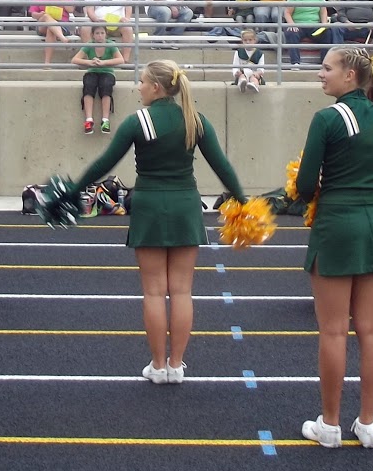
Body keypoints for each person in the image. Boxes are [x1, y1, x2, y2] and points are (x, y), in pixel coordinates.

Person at [63, 60, 246, 384]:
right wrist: (246, 204)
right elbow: (224, 168)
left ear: (157, 88)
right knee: (182, 291)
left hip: (149, 206)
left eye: (143, 81)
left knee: (153, 292)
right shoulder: (195, 120)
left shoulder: (138, 121)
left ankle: (158, 366)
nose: (139, 87)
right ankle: (177, 365)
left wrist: (71, 192)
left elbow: (104, 164)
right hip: (186, 206)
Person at [295, 46, 373, 447]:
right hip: (372, 223)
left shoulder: (327, 118)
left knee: (333, 332)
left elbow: (303, 184)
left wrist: (315, 194)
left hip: (336, 223)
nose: (320, 74)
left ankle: (330, 424)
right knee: (372, 330)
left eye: (327, 68)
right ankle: (368, 423)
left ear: (350, 75)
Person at [71, 24, 124, 134]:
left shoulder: (111, 44)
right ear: (93, 35)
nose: (100, 36)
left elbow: (120, 60)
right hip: (92, 71)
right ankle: (89, 120)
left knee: (106, 87)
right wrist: (89, 62)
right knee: (89, 86)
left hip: (107, 72)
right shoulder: (89, 45)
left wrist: (104, 63)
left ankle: (105, 120)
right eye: (97, 33)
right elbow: (75, 59)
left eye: (102, 33)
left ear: (106, 34)